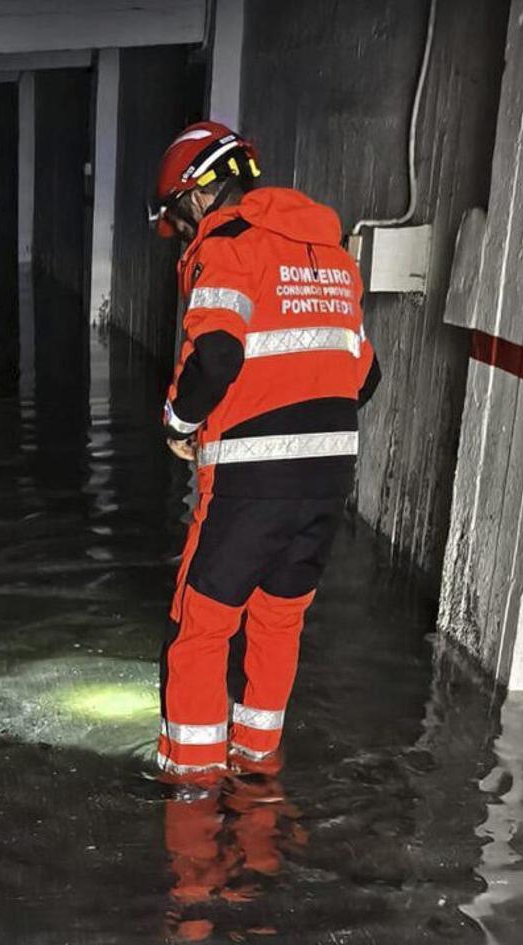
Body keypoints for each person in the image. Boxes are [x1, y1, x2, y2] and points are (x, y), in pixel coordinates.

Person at [151, 121, 381, 780]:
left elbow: (216, 354)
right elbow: (365, 376)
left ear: (196, 193)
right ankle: (258, 784)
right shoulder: (333, 258)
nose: (183, 227)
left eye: (178, 213)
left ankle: (191, 816)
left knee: (201, 627)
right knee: (279, 623)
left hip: (253, 480)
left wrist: (177, 421)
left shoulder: (225, 247)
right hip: (329, 478)